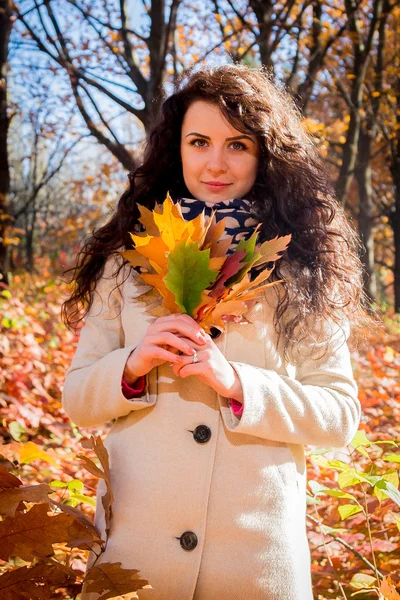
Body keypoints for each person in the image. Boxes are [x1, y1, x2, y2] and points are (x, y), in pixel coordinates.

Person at [61, 63, 366, 600]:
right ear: (176, 150)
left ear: (266, 154)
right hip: (136, 557)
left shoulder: (302, 269)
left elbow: (340, 415)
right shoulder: (126, 260)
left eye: (238, 145)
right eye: (199, 141)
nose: (216, 163)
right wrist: (130, 367)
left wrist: (241, 384)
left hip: (254, 562)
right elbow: (79, 399)